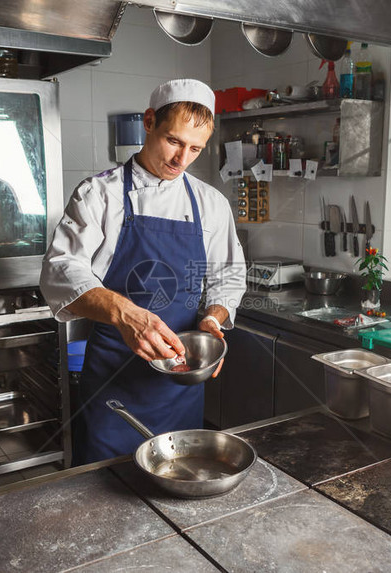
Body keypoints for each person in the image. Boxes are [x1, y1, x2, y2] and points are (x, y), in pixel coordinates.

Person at [40, 79, 246, 465]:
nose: (181, 159)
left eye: (195, 149)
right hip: (113, 382)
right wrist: (125, 314)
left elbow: (228, 277)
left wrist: (213, 320)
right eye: (174, 141)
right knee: (105, 489)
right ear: (149, 122)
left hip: (179, 383)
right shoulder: (99, 194)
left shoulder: (210, 204)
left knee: (176, 478)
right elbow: (60, 270)